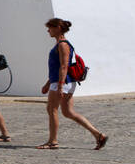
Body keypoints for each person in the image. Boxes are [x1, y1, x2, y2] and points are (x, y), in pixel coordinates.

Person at [37, 18, 106, 150]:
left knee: (52, 110)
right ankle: (98, 135)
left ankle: (53, 141)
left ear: (57, 28)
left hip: (62, 82)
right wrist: (48, 83)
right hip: (63, 81)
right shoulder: (62, 44)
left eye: (50, 28)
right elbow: (57, 67)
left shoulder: (63, 45)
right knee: (68, 112)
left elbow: (64, 67)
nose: (48, 30)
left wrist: (60, 86)